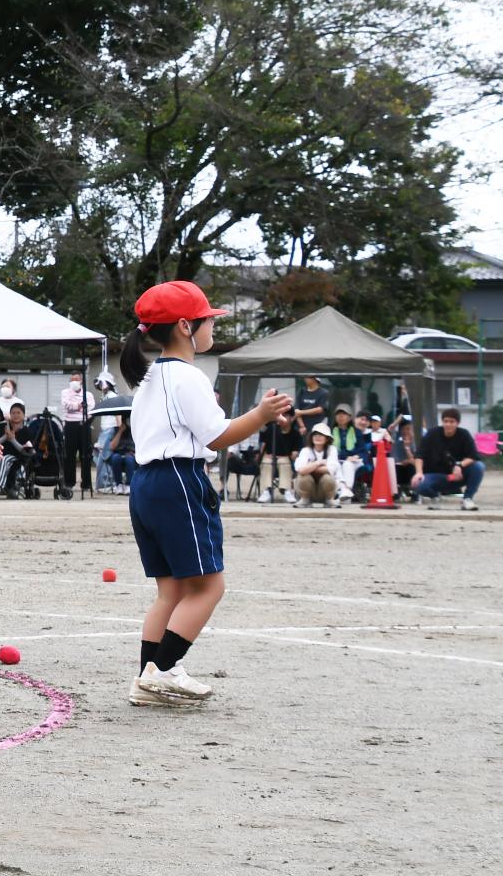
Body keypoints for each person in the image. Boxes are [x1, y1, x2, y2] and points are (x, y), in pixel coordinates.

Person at [118, 280, 290, 708]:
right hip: (178, 481)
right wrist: (261, 414)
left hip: (146, 484)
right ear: (183, 327)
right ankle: (165, 670)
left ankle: (146, 680)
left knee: (170, 591)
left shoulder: (150, 378)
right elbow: (217, 437)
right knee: (209, 587)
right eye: (207, 319)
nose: (212, 324)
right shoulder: (187, 376)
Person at [416, 408, 483, 510]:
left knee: (479, 467)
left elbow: (474, 456)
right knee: (419, 483)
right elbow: (419, 455)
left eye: (452, 422)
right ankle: (434, 498)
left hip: (457, 476)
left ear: (457, 423)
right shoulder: (432, 434)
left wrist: (459, 465)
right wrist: (419, 473)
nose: (448, 424)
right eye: (446, 421)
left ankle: (467, 499)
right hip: (436, 476)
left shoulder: (464, 434)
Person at [57, 371, 92, 498]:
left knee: (86, 455)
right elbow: (66, 405)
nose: (74, 382)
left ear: (81, 381)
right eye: (72, 379)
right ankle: (69, 482)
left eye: (76, 379)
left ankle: (86, 483)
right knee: (69, 455)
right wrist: (79, 406)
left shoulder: (88, 394)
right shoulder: (65, 392)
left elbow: (90, 409)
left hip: (84, 425)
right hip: (70, 424)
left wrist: (79, 408)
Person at [293, 423, 338, 507]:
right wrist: (319, 463)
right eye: (315, 434)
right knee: (304, 477)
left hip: (324, 492)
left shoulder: (332, 449)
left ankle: (329, 500)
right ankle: (305, 499)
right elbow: (300, 470)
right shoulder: (305, 450)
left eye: (321, 435)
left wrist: (309, 467)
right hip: (309, 492)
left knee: (327, 478)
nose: (317, 437)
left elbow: (331, 469)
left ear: (327, 438)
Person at [327, 407, 365, 502]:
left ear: (349, 417)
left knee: (347, 465)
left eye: (344, 414)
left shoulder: (357, 432)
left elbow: (362, 450)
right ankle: (341, 492)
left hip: (353, 460)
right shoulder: (330, 432)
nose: (341, 417)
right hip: (336, 459)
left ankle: (346, 491)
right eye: (338, 414)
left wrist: (356, 456)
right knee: (336, 465)